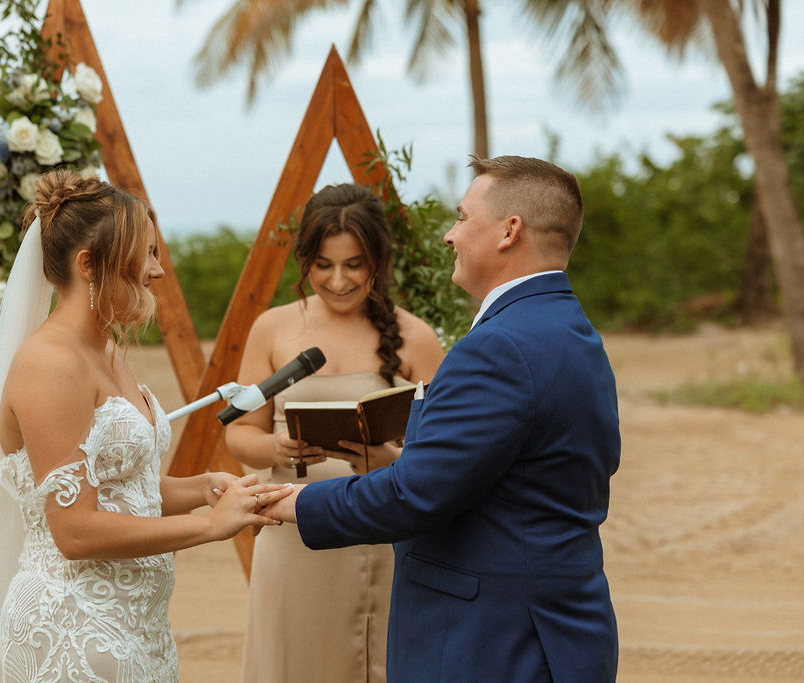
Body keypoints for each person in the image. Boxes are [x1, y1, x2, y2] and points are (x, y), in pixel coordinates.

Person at [0, 169, 291, 683]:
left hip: (138, 626)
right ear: (88, 264)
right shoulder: (50, 363)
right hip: (72, 628)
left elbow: (122, 486)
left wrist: (204, 489)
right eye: (147, 254)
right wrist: (209, 526)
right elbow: (72, 529)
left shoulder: (108, 350)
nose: (158, 271)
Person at [263, 156, 622, 682]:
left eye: (461, 217)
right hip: (556, 627)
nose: (450, 236)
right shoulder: (571, 329)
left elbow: (415, 497)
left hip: (493, 640)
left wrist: (292, 503)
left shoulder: (498, 346)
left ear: (508, 231)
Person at [226, 183, 445, 683]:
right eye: (324, 264)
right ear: (306, 260)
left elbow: (445, 452)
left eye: (354, 264)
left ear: (378, 262)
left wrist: (390, 460)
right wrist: (273, 446)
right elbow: (239, 435)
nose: (339, 280)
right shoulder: (271, 329)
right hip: (292, 531)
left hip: (382, 531)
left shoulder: (417, 337)